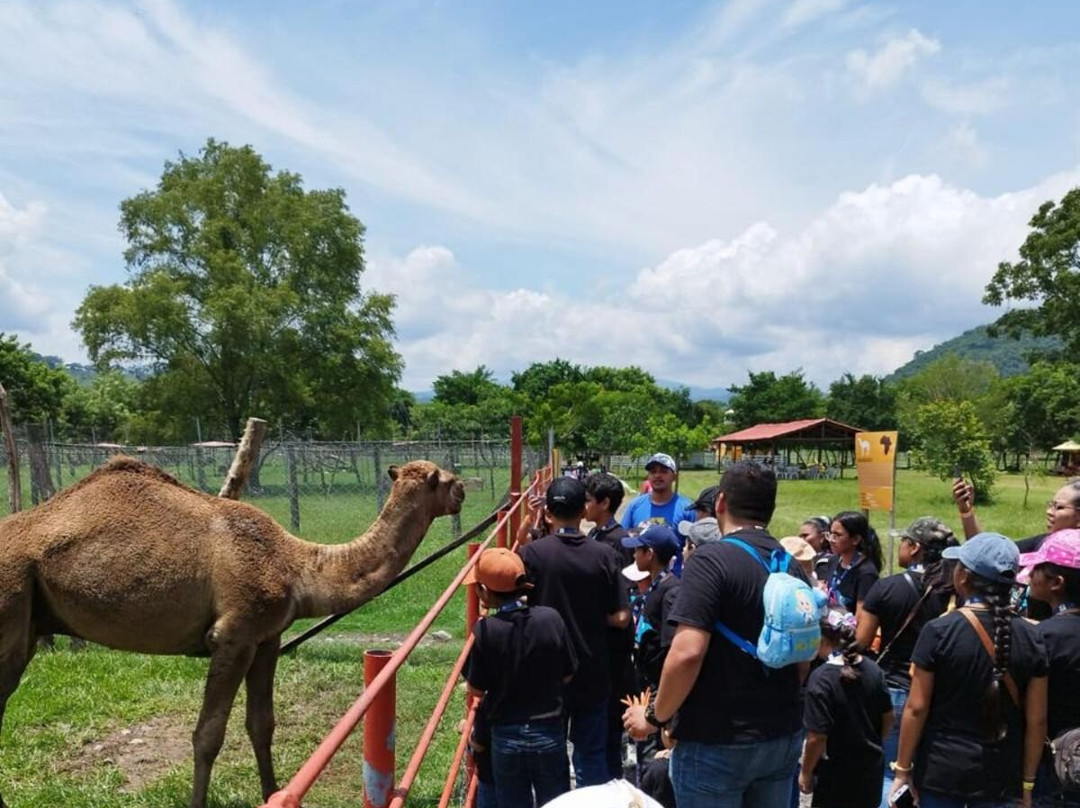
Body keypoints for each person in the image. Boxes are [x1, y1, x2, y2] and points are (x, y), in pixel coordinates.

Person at [623, 460, 805, 808]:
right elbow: (801, 658)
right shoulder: (788, 562)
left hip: (718, 738)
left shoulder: (710, 560)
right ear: (771, 507)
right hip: (780, 733)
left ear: (720, 503)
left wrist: (654, 717)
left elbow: (687, 653)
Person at [889, 532, 1048, 808]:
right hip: (1001, 777)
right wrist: (1027, 784)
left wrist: (903, 770)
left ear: (963, 577)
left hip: (941, 772)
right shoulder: (1032, 636)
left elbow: (916, 708)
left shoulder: (939, 630)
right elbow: (1037, 719)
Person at [520, 476, 631, 788]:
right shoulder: (605, 555)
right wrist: (593, 617)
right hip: (593, 670)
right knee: (590, 756)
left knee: (550, 755)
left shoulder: (534, 555)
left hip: (546, 671)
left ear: (548, 513)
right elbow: (622, 617)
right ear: (583, 510)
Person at [463, 548, 578, 808]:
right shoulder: (551, 618)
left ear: (485, 591)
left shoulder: (485, 630)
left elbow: (476, 689)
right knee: (557, 802)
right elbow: (568, 673)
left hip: (506, 735)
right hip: (549, 731)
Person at [856, 517, 956, 805]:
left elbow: (861, 642)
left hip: (895, 689)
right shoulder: (952, 590)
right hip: (937, 692)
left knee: (891, 769)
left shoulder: (888, 587)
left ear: (914, 548)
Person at [800, 607, 894, 808]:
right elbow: (888, 718)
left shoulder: (821, 679)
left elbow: (817, 737)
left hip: (836, 775)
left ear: (824, 640)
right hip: (870, 772)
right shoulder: (874, 670)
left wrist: (806, 772)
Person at [952, 478, 1080, 620]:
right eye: (1051, 504)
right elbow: (987, 555)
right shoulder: (1045, 542)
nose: (1049, 512)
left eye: (1059, 507)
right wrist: (966, 512)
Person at [1016, 529, 1080, 805]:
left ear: (1057, 582)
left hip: (1053, 766)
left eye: (1038, 568)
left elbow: (1033, 713)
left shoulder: (1045, 636)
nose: (1030, 574)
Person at [584, 471, 635, 780]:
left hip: (614, 644)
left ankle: (611, 781)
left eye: (589, 500)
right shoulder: (597, 536)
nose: (584, 506)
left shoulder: (617, 543)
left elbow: (621, 602)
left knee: (608, 723)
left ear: (604, 503)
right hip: (604, 639)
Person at [825, 511, 883, 614]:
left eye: (837, 535)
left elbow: (863, 615)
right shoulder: (833, 561)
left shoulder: (866, 573)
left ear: (855, 539)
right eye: (830, 534)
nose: (831, 540)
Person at [800, 515, 833, 580]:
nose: (801, 540)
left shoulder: (824, 563)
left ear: (822, 537)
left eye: (805, 536)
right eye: (800, 536)